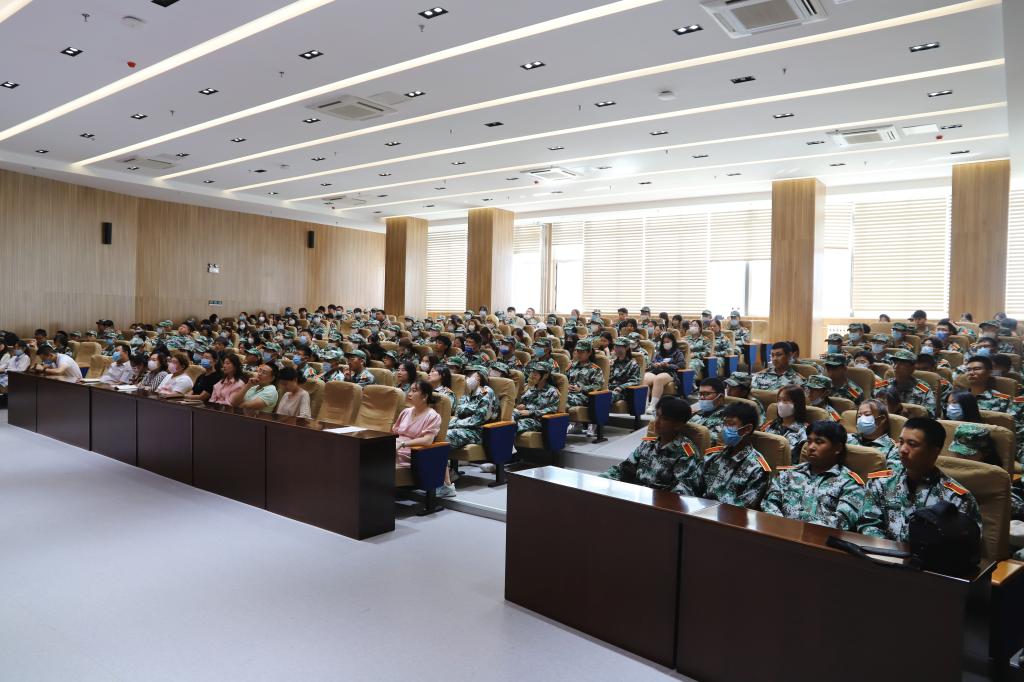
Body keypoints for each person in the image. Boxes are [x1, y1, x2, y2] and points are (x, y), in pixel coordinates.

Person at [856, 417, 981, 542]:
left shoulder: (957, 498)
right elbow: (868, 524)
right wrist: (886, 549)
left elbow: (964, 545)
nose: (903, 449)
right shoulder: (880, 483)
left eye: (912, 444)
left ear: (934, 451)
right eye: (901, 442)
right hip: (880, 552)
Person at [760, 420, 867, 530]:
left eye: (819, 442)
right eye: (809, 441)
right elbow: (769, 504)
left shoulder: (850, 483)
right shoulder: (788, 474)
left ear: (838, 448)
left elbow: (842, 520)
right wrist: (784, 528)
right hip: (779, 533)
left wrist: (799, 530)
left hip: (820, 538)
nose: (811, 447)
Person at [600, 397, 703, 495]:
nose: (656, 421)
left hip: (661, 503)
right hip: (636, 496)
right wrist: (599, 481)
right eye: (656, 415)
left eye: (664, 418)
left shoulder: (686, 453)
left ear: (678, 425)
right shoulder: (648, 444)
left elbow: (683, 491)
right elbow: (623, 469)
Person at [700, 402, 772, 508]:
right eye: (724, 424)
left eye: (731, 424)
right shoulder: (714, 456)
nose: (725, 429)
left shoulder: (757, 468)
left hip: (728, 515)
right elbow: (693, 486)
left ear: (747, 429)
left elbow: (745, 507)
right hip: (699, 510)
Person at [393, 380, 454, 497]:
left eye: (414, 391)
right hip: (397, 446)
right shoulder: (406, 412)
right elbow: (395, 431)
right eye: (410, 390)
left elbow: (427, 440)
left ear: (425, 396)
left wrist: (403, 444)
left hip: (413, 452)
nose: (409, 393)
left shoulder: (432, 416)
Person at [445, 365, 498, 450]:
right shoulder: (468, 393)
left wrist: (455, 423)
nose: (467, 378)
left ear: (479, 377)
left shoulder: (486, 393)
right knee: (437, 432)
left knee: (445, 436)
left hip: (477, 432)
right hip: (461, 427)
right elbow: (458, 413)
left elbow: (478, 420)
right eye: (467, 375)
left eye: (470, 375)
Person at [874, 349, 937, 417]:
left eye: (901, 364)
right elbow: (872, 407)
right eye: (895, 363)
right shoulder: (883, 386)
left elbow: (930, 413)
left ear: (912, 368)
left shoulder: (923, 389)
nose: (896, 367)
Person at [761, 385, 810, 463]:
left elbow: (799, 462)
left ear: (797, 403)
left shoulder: (804, 431)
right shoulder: (770, 424)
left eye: (786, 400)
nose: (780, 404)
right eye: (779, 400)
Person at [643, 333, 687, 415]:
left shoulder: (678, 353)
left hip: (669, 372)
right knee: (645, 378)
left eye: (668, 341)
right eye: (664, 342)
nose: (666, 344)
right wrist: (654, 364)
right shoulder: (659, 352)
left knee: (658, 379)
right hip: (656, 370)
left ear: (672, 341)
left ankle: (653, 406)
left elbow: (681, 365)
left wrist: (668, 365)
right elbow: (651, 363)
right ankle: (644, 405)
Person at [513, 361, 560, 434]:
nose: (532, 376)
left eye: (536, 374)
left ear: (546, 375)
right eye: (532, 373)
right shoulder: (531, 389)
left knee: (514, 426)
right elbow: (521, 403)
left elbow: (552, 410)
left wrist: (531, 412)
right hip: (523, 415)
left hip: (538, 421)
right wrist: (519, 407)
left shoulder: (552, 391)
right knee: (507, 420)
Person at [848, 398, 898, 464]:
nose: (861, 419)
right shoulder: (848, 438)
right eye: (859, 416)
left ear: (881, 419)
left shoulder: (892, 449)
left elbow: (891, 470)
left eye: (867, 415)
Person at [690, 377, 728, 445]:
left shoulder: (726, 418)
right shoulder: (698, 412)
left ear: (720, 397)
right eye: (700, 394)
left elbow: (714, 442)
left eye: (706, 394)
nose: (701, 397)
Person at [608, 337, 641, 403]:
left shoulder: (632, 364)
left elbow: (635, 381)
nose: (616, 349)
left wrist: (621, 387)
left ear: (627, 348)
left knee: (606, 397)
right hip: (609, 388)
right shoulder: (613, 362)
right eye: (615, 346)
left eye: (619, 347)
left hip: (622, 392)